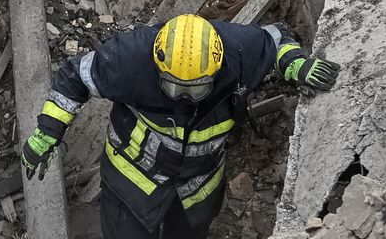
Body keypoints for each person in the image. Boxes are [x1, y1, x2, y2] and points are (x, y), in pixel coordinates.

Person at [20, 14, 340, 239]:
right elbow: (74, 76)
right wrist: (47, 132)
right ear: (158, 66)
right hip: (133, 180)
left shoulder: (236, 49)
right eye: (174, 88)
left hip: (197, 186)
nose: (184, 97)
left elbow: (276, 37)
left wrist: (294, 63)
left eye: (196, 89)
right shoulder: (131, 57)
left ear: (216, 70)